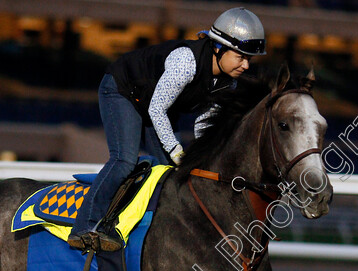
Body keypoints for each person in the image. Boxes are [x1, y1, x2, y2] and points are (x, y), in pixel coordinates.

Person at [68, 7, 267, 252]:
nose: (246, 65)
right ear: (218, 48)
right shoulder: (186, 61)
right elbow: (156, 110)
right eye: (241, 57)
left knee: (168, 173)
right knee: (124, 160)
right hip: (123, 90)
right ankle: (84, 227)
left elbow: (203, 124)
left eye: (250, 59)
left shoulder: (229, 83)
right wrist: (175, 148)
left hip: (155, 104)